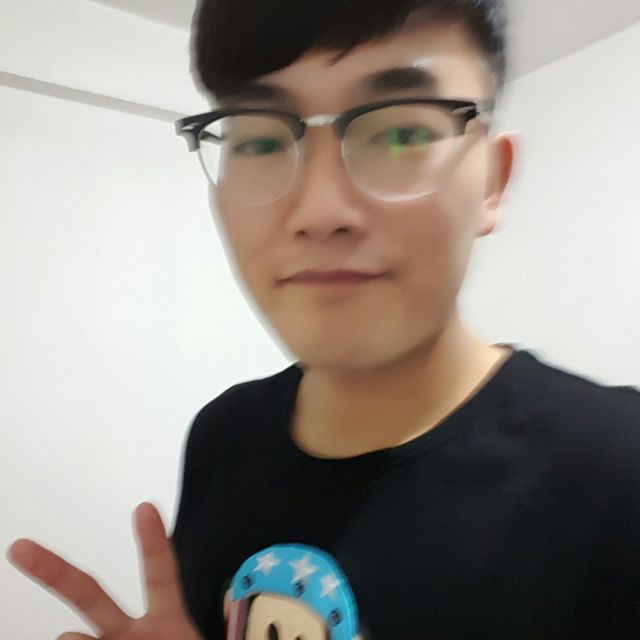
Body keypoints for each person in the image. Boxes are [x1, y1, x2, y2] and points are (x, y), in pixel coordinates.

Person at [6, 1, 640, 638]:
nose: (319, 209)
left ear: (493, 184)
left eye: (401, 132)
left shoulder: (619, 473)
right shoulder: (224, 436)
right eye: (259, 139)